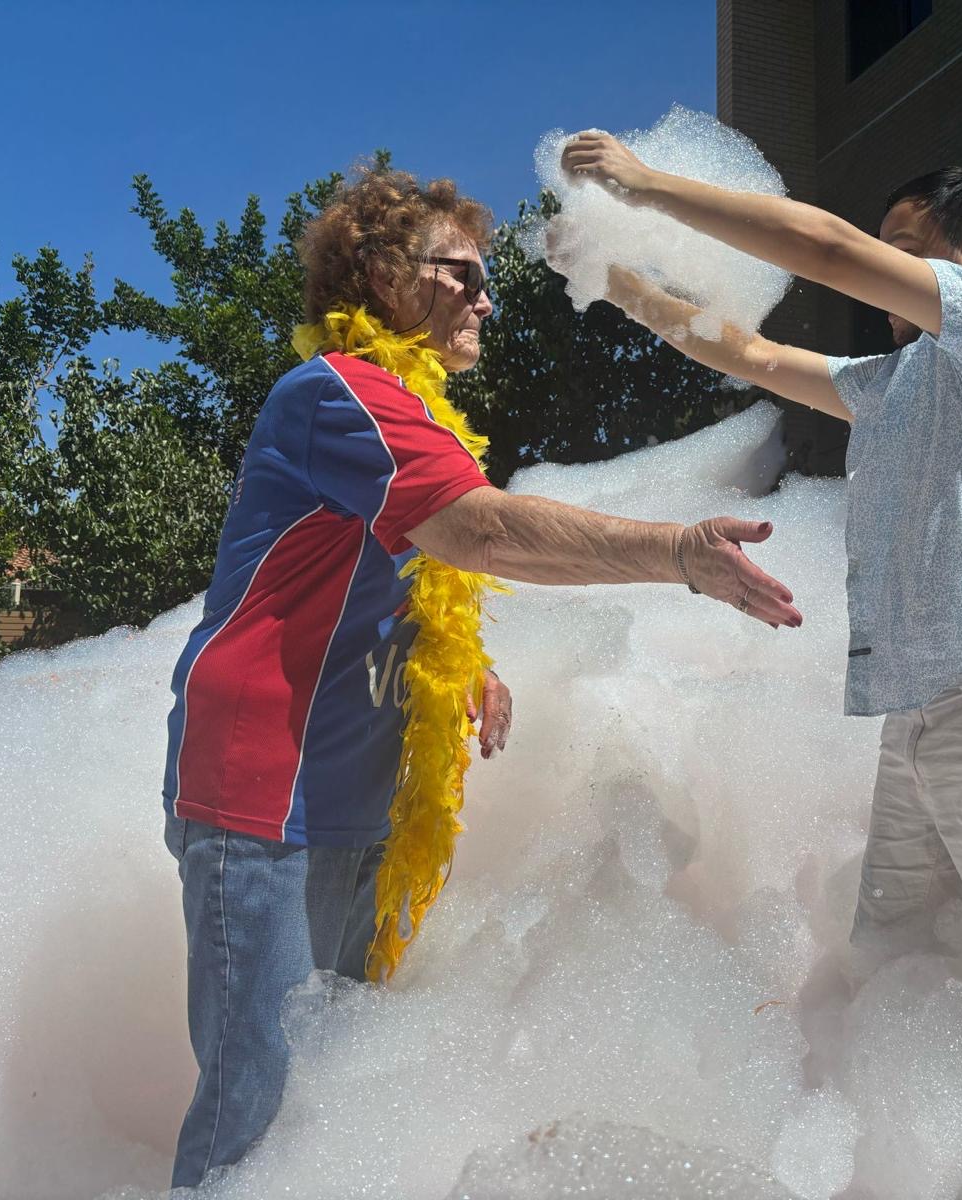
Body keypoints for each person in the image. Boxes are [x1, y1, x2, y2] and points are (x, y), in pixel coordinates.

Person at [160, 163, 802, 1189]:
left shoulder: (401, 412)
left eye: (484, 276)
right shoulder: (338, 392)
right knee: (258, 1107)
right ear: (374, 272)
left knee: (330, 1098)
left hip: (349, 800)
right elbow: (480, 531)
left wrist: (459, 660)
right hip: (259, 794)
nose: (483, 296)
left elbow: (396, 566)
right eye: (457, 271)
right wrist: (678, 552)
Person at [557, 135, 962, 1135]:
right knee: (901, 969)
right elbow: (751, 354)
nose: (878, 266)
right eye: (882, 248)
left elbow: (820, 245)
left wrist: (646, 185)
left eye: (903, 247)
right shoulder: (891, 383)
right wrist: (616, 277)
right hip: (922, 710)